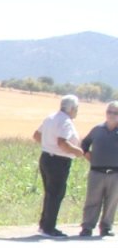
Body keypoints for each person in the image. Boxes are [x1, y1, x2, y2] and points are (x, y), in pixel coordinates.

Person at [32, 95, 86, 238]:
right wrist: (78, 152)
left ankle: (44, 225)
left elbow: (37, 135)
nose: (77, 111)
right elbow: (63, 143)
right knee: (56, 194)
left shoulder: (51, 117)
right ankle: (49, 228)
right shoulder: (65, 121)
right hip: (59, 161)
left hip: (45, 157)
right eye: (77, 108)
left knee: (49, 193)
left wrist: (48, 145)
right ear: (72, 109)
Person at [78, 101, 118, 237]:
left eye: (115, 112)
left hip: (115, 173)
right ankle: (87, 227)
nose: (112, 115)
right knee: (92, 200)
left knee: (111, 201)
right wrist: (89, 156)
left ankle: (106, 227)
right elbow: (84, 144)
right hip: (96, 172)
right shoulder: (97, 129)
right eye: (109, 112)